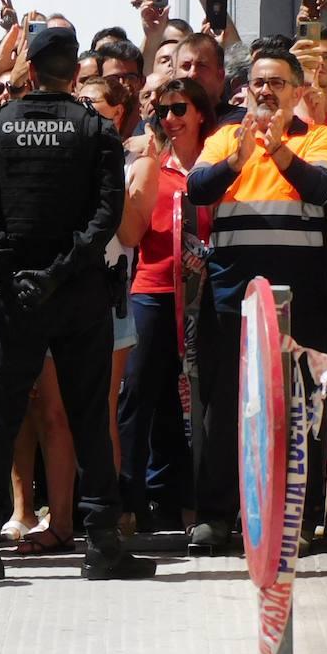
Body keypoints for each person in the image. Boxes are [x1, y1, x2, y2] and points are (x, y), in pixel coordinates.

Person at [0, 26, 155, 581]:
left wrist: (17, 273)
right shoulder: (95, 131)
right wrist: (58, 273)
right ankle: (101, 544)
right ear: (74, 72)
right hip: (78, 293)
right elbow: (104, 216)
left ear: (28, 66)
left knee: (1, 415)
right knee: (90, 416)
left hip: (15, 295)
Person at [185, 46, 327, 551]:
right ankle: (216, 516)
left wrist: (280, 152)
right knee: (227, 403)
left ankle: (303, 512)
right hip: (233, 295)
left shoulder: (317, 137)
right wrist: (239, 158)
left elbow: (322, 189)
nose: (265, 90)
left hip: (301, 298)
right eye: (258, 83)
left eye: (276, 82)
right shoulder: (227, 136)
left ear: (298, 92)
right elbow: (198, 189)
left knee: (301, 406)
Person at [117, 77, 216, 532]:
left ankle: (198, 503)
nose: (170, 119)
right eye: (163, 113)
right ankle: (131, 504)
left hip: (208, 297)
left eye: (180, 109)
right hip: (150, 289)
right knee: (139, 396)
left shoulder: (219, 162)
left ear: (200, 112)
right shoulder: (150, 164)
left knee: (200, 400)